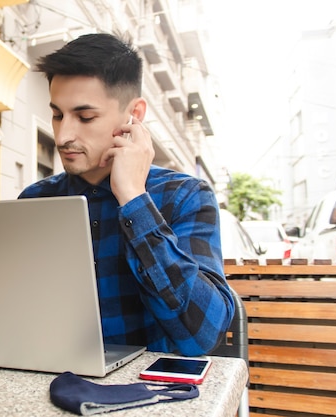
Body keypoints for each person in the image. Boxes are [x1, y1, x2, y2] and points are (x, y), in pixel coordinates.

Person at [18, 33, 234, 356]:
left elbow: (202, 335)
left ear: (135, 114)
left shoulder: (186, 197)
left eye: (85, 117)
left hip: (146, 397)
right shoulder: (34, 202)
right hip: (49, 381)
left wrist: (133, 198)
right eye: (58, 114)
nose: (63, 135)